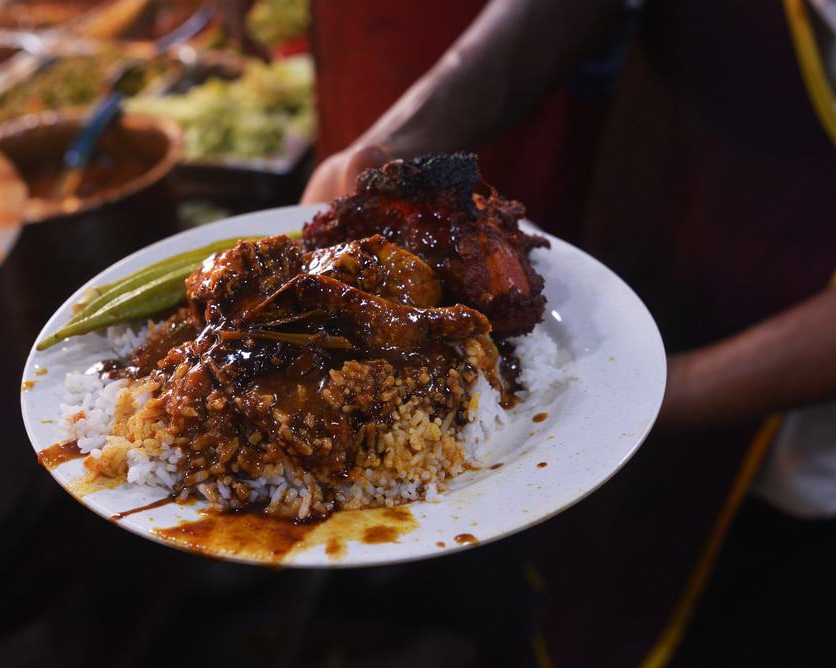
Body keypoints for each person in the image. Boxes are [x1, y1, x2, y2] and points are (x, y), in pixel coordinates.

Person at [303, 0, 836, 664]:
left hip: (797, 451)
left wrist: (634, 402)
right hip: (658, 237)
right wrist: (393, 151)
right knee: (565, 580)